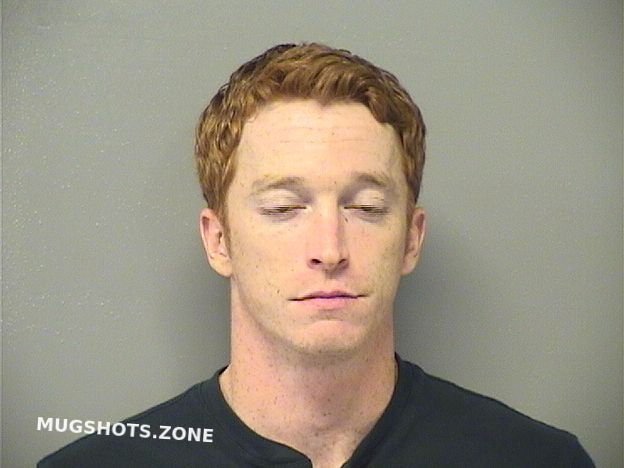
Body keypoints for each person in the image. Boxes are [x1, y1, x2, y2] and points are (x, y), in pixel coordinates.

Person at [39, 42, 594, 467]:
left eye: (366, 207)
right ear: (218, 241)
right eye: (284, 208)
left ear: (412, 238)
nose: (330, 250)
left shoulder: (538, 460)